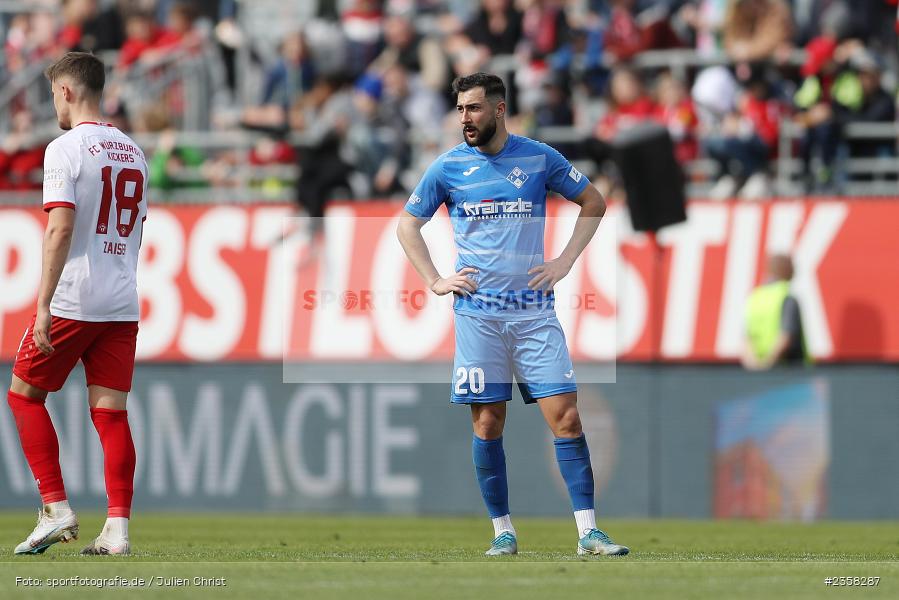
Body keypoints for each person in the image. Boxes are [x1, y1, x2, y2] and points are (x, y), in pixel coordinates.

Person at [396, 72, 629, 557]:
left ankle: (588, 532)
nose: (466, 118)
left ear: (499, 110)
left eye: (475, 108)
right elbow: (407, 225)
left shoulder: (539, 158)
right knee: (487, 424)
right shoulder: (447, 168)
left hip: (533, 314)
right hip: (478, 315)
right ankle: (503, 531)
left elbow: (594, 201)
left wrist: (564, 261)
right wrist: (436, 280)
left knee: (565, 417)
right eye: (460, 109)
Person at [7, 52, 148, 556]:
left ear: (65, 91)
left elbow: (61, 226)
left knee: (24, 395)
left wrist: (43, 303)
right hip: (121, 299)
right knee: (111, 413)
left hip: (74, 296)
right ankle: (117, 530)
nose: (54, 105)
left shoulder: (63, 149)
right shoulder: (133, 151)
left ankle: (54, 506)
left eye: (52, 94)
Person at [742, 254, 808, 370]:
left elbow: (747, 338)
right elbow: (786, 336)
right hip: (789, 371)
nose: (794, 271)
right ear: (785, 269)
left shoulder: (755, 298)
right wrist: (768, 364)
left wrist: (754, 366)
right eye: (792, 267)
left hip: (760, 371)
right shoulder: (786, 298)